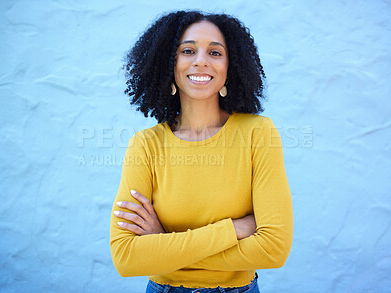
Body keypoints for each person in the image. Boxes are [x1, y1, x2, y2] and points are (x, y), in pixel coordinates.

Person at [110, 10, 293, 293]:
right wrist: (234, 229)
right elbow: (125, 257)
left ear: (231, 66)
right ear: (168, 63)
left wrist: (164, 245)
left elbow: (274, 249)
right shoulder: (145, 144)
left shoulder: (258, 133)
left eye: (215, 52)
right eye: (187, 50)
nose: (201, 61)